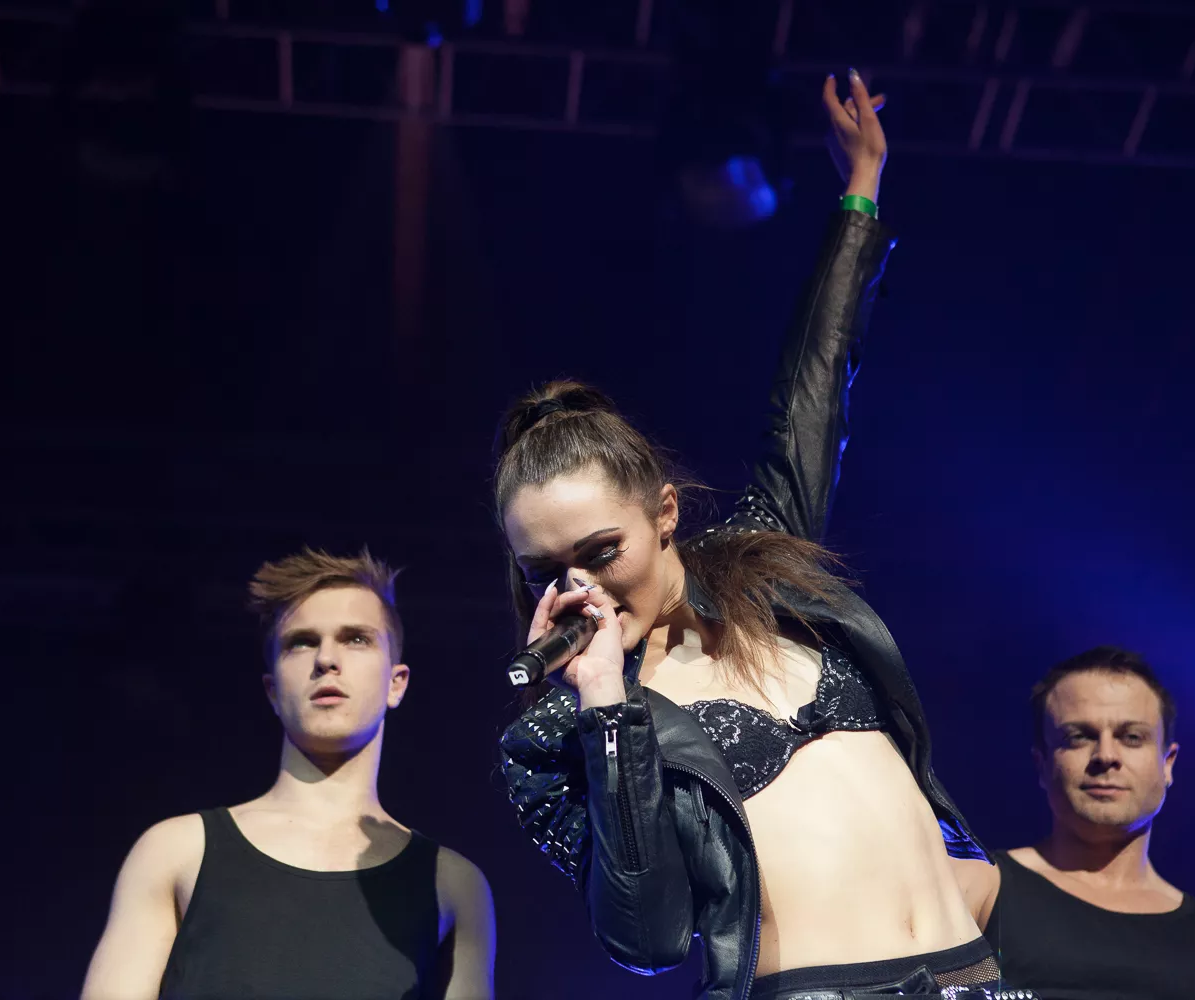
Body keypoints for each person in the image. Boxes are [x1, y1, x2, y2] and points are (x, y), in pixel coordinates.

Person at [496, 71, 1017, 1000]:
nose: (583, 590)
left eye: (602, 553)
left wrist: (860, 193)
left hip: (972, 979)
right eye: (549, 570)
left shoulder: (759, 565)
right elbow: (647, 934)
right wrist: (607, 714)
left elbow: (812, 394)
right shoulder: (550, 735)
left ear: (664, 513)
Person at [82, 548, 496, 1000]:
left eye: (356, 638)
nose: (326, 659)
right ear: (273, 690)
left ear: (396, 683)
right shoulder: (176, 852)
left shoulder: (450, 884)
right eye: (301, 642)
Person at [951, 646, 1195, 1000]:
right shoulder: (976, 888)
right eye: (1078, 736)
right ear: (1042, 764)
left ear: (1167, 763)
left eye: (1132, 737)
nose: (1106, 755)